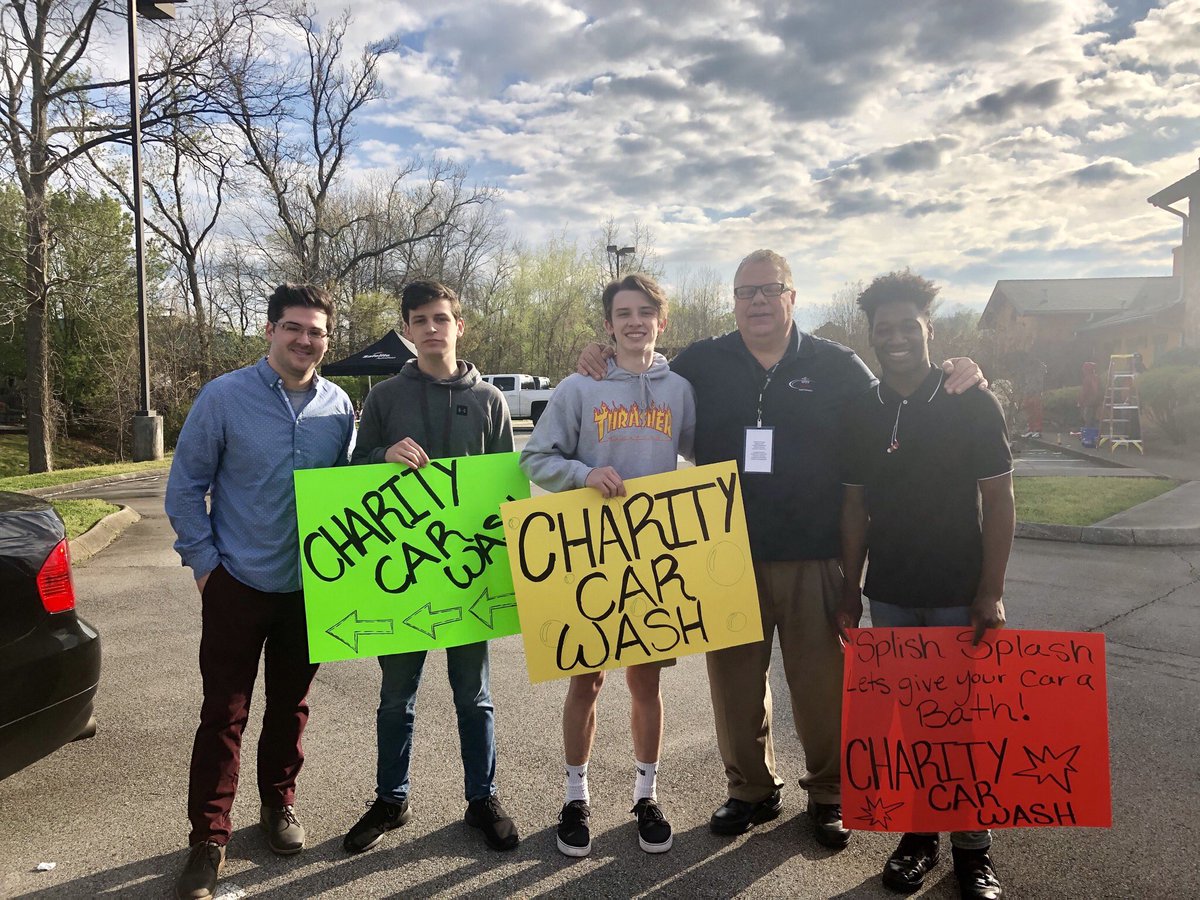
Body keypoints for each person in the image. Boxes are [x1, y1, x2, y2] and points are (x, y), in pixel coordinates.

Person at [577, 250, 983, 849]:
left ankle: (828, 795)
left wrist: (960, 369)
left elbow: (902, 391)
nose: (758, 302)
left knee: (820, 684)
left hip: (813, 552)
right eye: (746, 292)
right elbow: (643, 367)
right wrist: (599, 354)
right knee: (735, 684)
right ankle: (750, 790)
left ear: (793, 297)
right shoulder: (704, 362)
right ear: (733, 301)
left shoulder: (837, 365)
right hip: (721, 550)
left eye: (770, 290)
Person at [166, 284, 356, 900]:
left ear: (328, 339)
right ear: (270, 330)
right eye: (295, 328)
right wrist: (205, 566)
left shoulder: (338, 406)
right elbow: (185, 485)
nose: (306, 340)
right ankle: (208, 837)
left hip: (310, 589)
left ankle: (279, 806)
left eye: (317, 332)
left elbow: (352, 489)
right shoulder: (224, 397)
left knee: (290, 706)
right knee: (223, 713)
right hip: (236, 582)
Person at [836, 271, 1014, 900]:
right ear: (873, 336)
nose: (896, 338)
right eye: (883, 329)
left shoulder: (969, 399)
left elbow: (1000, 501)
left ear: (928, 329)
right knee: (910, 722)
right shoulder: (863, 410)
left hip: (959, 594)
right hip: (889, 593)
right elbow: (854, 508)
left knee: (963, 724)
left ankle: (973, 852)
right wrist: (849, 588)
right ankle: (917, 837)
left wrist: (990, 591)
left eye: (908, 326)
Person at [341, 280, 520, 855]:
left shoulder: (490, 400)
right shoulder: (385, 398)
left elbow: (506, 489)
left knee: (475, 697)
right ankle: (391, 800)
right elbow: (350, 472)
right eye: (420, 320)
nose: (432, 328)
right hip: (404, 574)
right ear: (408, 330)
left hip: (468, 574)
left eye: (441, 318)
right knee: (397, 697)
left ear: (458, 326)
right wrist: (380, 456)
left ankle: (482, 798)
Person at [522, 274, 696, 858]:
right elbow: (537, 456)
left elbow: (706, 456)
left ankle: (647, 795)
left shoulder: (679, 391)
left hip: (654, 559)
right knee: (586, 681)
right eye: (624, 312)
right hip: (591, 556)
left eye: (646, 311)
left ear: (661, 321)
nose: (635, 321)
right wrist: (583, 474)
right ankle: (576, 797)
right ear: (608, 324)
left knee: (645, 681)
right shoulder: (579, 387)